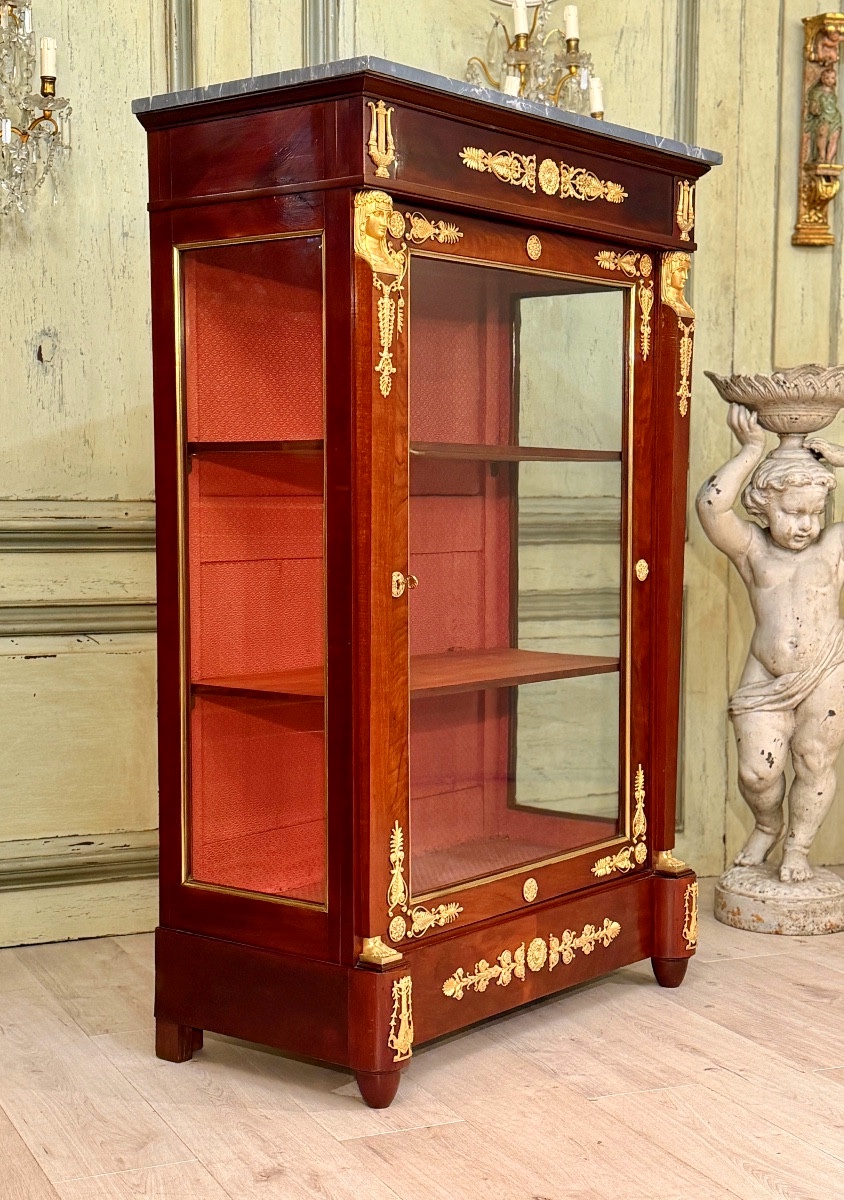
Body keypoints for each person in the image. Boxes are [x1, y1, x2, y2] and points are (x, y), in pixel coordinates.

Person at [697, 403, 844, 882]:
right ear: (763, 507)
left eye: (814, 513)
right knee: (757, 773)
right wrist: (751, 450)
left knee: (815, 760)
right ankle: (767, 824)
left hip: (826, 667)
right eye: (793, 512)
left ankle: (798, 849)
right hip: (767, 675)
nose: (806, 525)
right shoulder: (752, 549)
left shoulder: (833, 546)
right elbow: (711, 506)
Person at [805, 66, 842, 164]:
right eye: (827, 78)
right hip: (823, 117)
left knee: (834, 137)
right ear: (822, 79)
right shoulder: (817, 91)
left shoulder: (833, 91)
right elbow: (813, 104)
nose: (830, 80)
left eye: (832, 78)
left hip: (835, 117)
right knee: (822, 134)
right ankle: (821, 157)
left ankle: (829, 160)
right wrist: (815, 109)